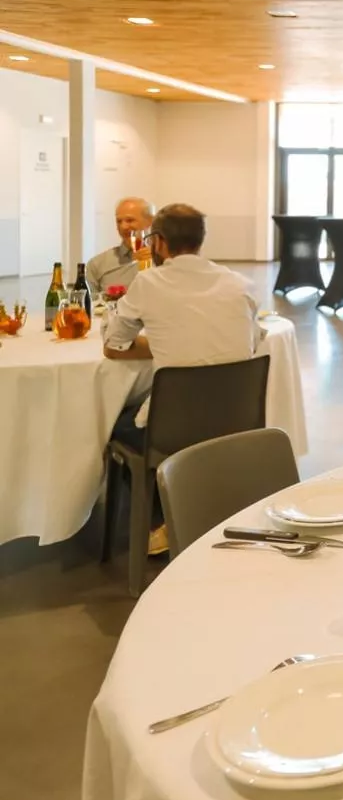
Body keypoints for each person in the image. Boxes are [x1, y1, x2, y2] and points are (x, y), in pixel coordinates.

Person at [103, 204, 261, 554]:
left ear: (158, 242)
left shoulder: (148, 283)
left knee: (118, 424)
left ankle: (161, 522)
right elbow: (252, 341)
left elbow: (114, 344)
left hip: (173, 426)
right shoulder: (240, 283)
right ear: (201, 240)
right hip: (238, 420)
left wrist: (164, 339)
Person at [85, 197, 154, 296]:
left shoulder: (165, 260)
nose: (123, 227)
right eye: (119, 221)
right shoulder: (97, 264)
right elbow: (88, 303)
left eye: (130, 220)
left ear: (149, 221)